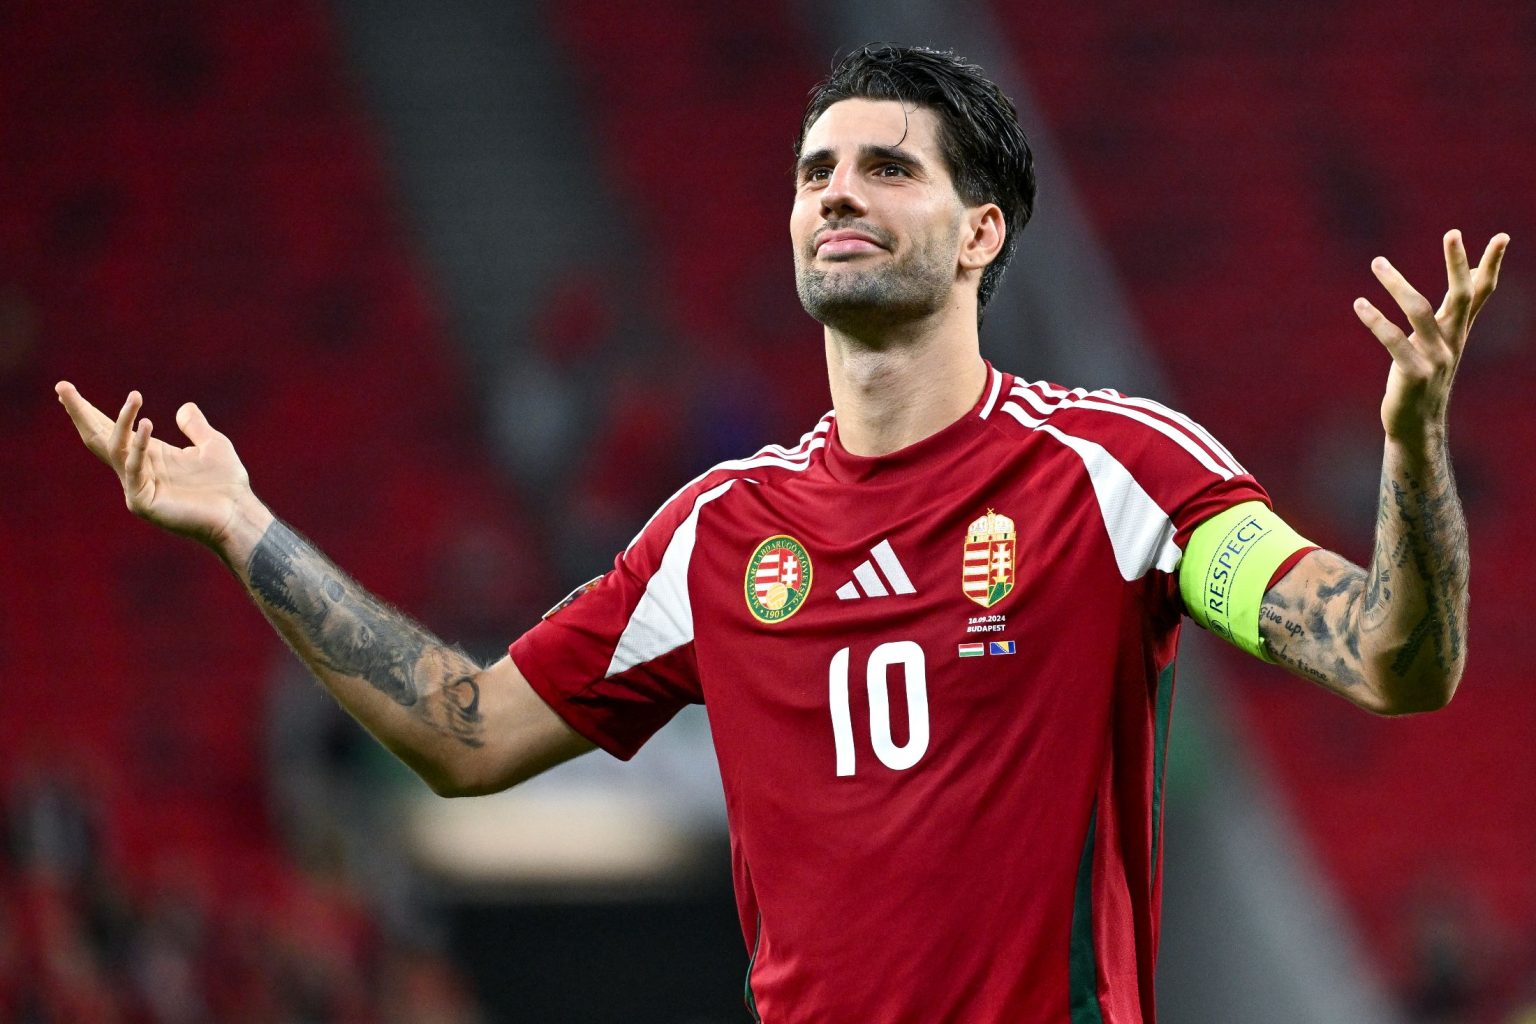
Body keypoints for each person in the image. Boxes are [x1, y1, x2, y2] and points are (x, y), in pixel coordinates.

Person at [57, 43, 1507, 1024]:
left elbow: (1389, 657)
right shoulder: (717, 535)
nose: (837, 193)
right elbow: (468, 734)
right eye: (817, 171)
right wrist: (248, 529)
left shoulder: (1113, 473)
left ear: (983, 231)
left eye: (888, 167)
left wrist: (1408, 453)